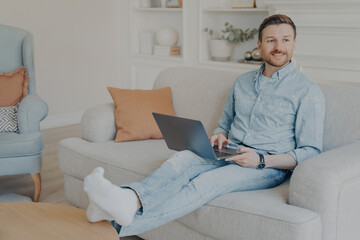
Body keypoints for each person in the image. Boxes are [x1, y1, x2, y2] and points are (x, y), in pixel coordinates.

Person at [83, 14, 325, 237]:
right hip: (229, 149)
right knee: (180, 162)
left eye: (285, 40)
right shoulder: (242, 82)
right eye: (271, 40)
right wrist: (219, 135)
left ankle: (111, 228)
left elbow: (311, 151)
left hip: (265, 165)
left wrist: (260, 160)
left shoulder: (307, 91)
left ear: (294, 44)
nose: (278, 47)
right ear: (260, 46)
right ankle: (127, 200)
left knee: (202, 185)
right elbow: (225, 122)